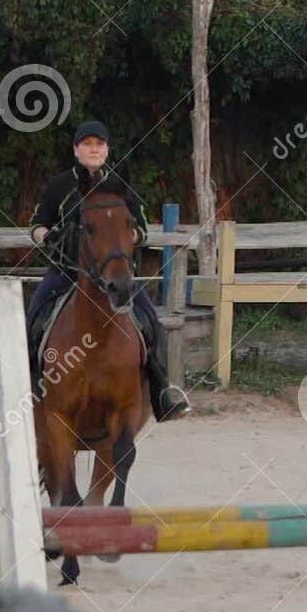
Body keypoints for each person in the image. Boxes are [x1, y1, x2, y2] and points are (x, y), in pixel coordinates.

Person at [26, 120, 189, 421]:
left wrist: (129, 237)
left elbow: (142, 229)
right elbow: (37, 224)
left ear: (107, 149)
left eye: (99, 144)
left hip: (114, 276)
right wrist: (46, 236)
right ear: (76, 149)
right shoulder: (60, 185)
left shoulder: (121, 186)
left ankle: (161, 392)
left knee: (152, 323)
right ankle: (29, 394)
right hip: (66, 273)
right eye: (87, 144)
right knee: (32, 321)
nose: (93, 149)